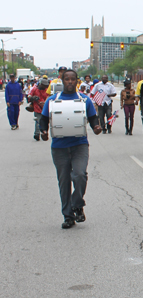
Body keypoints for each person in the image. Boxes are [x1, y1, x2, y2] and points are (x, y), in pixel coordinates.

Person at [39, 69, 102, 229]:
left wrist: (96, 126)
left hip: (79, 145)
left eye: (72, 79)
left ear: (77, 81)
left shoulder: (84, 100)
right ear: (62, 80)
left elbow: (93, 117)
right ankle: (68, 216)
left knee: (80, 175)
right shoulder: (52, 100)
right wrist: (44, 131)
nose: (69, 82)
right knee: (64, 182)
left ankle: (77, 203)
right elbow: (44, 119)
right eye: (66, 79)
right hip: (59, 147)